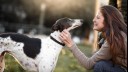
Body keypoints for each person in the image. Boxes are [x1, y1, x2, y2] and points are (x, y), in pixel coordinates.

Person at [59, 5, 127, 72]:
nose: (93, 20)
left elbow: (88, 64)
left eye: (98, 17)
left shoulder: (114, 39)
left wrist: (71, 44)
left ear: (108, 20)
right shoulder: (117, 35)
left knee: (100, 66)